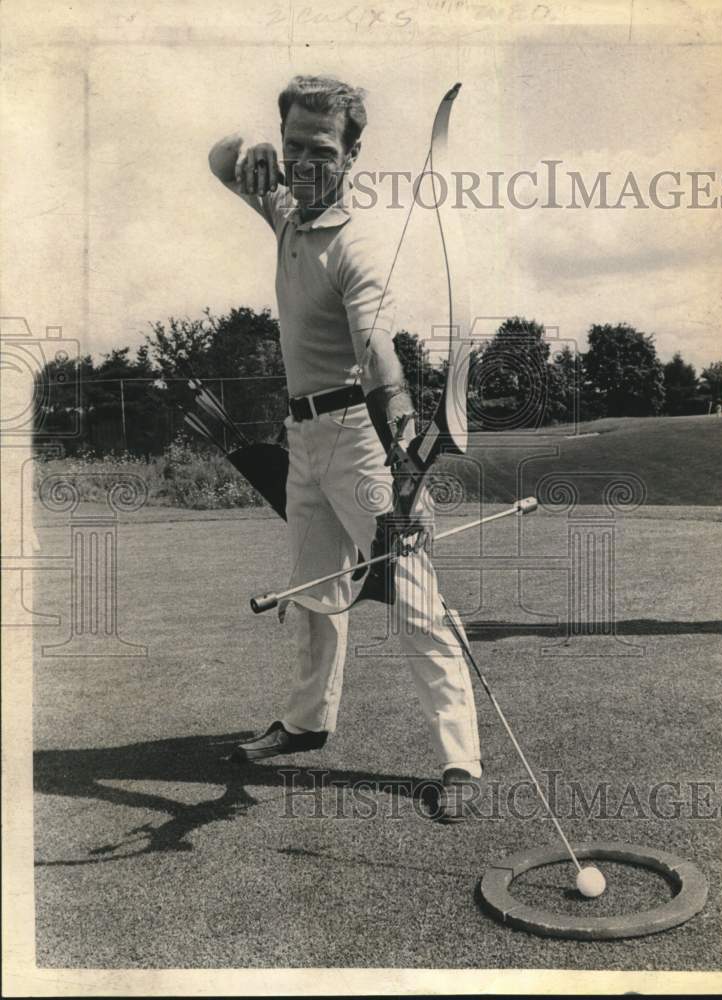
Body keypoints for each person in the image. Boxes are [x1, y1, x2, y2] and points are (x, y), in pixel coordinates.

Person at [208, 75, 482, 821]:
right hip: (302, 437)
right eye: (292, 145)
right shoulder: (286, 209)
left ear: (352, 154)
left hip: (360, 440)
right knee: (312, 591)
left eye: (320, 150)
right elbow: (219, 157)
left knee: (413, 599)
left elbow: (379, 356)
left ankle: (460, 760)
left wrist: (403, 455)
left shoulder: (356, 248)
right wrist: (248, 151)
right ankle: (304, 722)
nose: (302, 162)